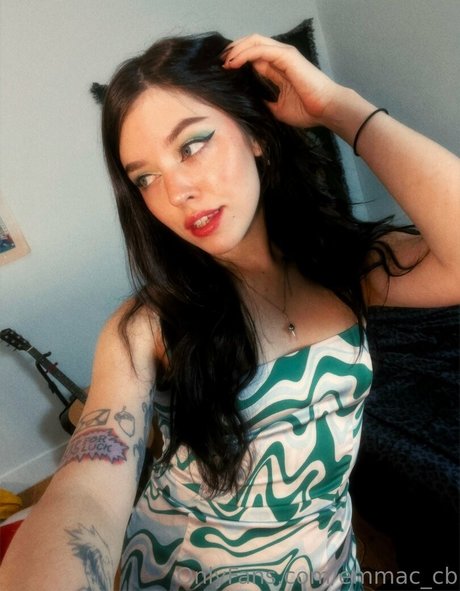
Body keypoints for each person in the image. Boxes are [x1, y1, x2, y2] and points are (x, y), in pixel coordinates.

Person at [1, 32, 459, 591]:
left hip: (329, 567)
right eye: (145, 178)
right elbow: (89, 486)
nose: (176, 192)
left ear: (255, 134)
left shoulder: (348, 267)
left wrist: (338, 108)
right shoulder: (147, 325)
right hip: (186, 574)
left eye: (191, 145)